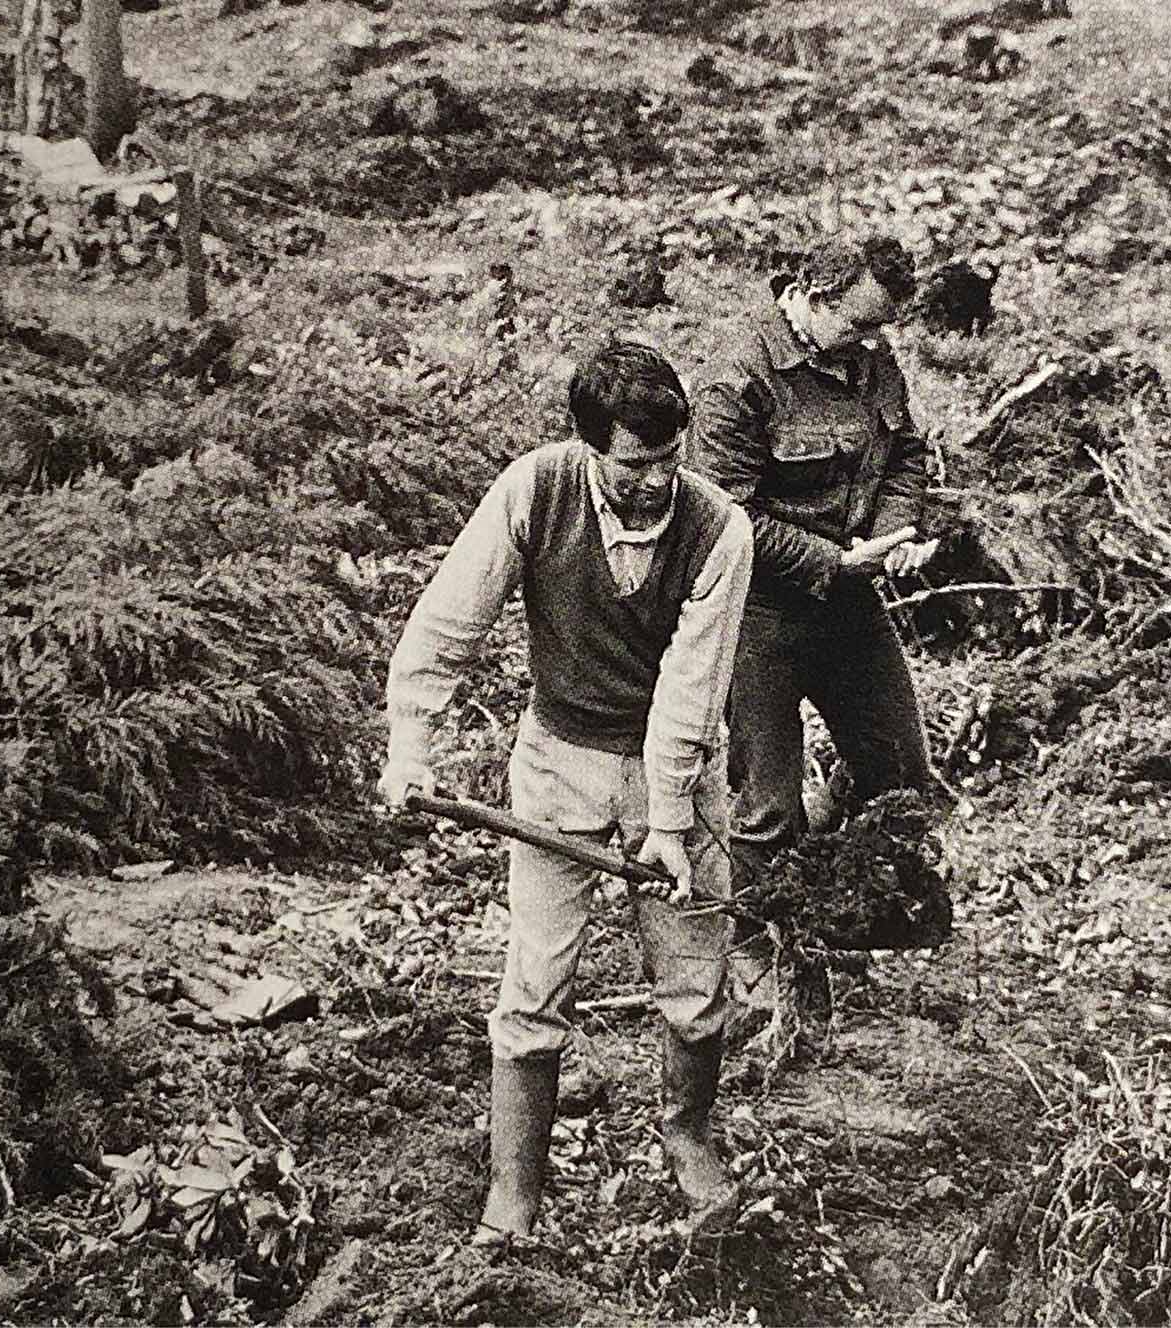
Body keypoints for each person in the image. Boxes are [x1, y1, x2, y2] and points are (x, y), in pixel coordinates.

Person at [379, 341, 753, 1244]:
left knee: (695, 982)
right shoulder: (535, 491)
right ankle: (516, 1191)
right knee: (536, 983)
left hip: (684, 774)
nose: (658, 479)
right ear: (591, 446)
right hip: (557, 767)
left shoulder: (719, 530)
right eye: (635, 463)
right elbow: (447, 620)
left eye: (673, 457)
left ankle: (689, 1137)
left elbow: (691, 691)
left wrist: (668, 821)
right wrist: (411, 744)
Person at [685, 235, 939, 1027]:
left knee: (898, 773)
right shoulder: (739, 378)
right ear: (808, 295)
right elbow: (725, 517)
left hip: (852, 598)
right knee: (765, 804)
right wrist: (833, 559)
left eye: (877, 331)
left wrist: (894, 536)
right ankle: (764, 955)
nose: (869, 344)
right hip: (759, 611)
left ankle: (825, 891)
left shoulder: (871, 355)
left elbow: (905, 456)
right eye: (857, 326)